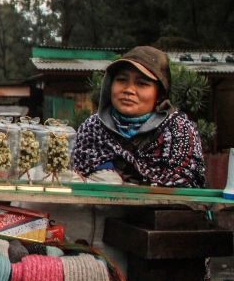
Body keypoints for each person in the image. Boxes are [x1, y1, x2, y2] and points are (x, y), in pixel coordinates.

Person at [71, 45, 205, 187]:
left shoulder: (179, 131)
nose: (129, 90)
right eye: (122, 80)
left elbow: (185, 183)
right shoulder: (92, 128)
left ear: (159, 94)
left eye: (141, 83)